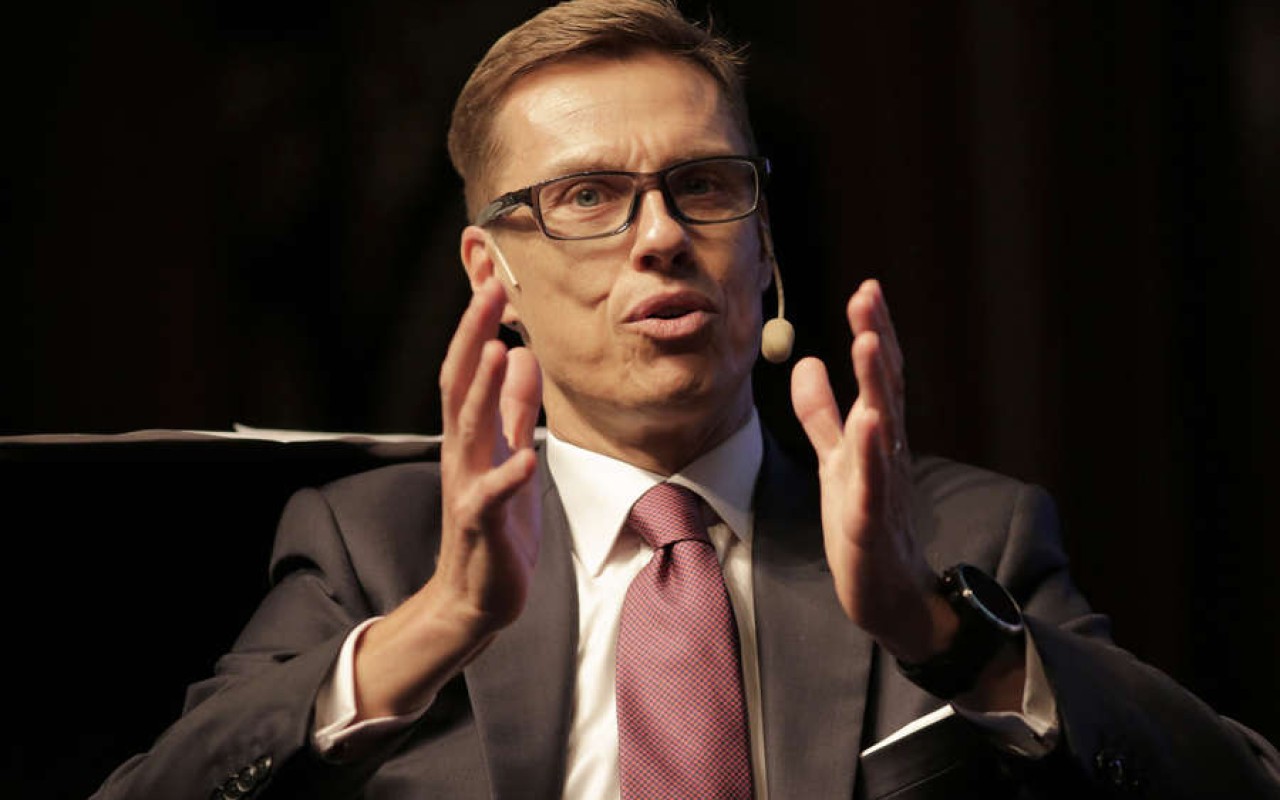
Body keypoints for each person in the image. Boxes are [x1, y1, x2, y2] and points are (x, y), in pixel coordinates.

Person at [93, 1, 1280, 798]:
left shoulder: (959, 536)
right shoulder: (373, 544)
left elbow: (1230, 778)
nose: (660, 235)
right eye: (586, 197)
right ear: (491, 273)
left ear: (761, 245)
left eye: (703, 185)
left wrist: (935, 631)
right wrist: (440, 618)